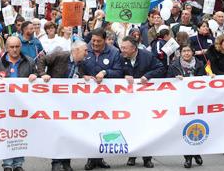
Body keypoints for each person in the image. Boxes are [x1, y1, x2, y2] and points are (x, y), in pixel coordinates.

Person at [36, 40, 91, 171]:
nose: (87, 53)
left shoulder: (83, 64)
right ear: (76, 50)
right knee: (57, 131)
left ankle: (66, 162)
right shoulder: (60, 56)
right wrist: (43, 74)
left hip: (71, 104)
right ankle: (56, 162)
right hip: (55, 101)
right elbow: (41, 60)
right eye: (85, 50)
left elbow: (82, 77)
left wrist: (86, 77)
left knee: (69, 132)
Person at [0, 36, 36, 171]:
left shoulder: (30, 62)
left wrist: (35, 76)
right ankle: (8, 164)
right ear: (6, 48)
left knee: (20, 134)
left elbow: (37, 75)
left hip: (22, 106)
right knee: (7, 134)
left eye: (17, 47)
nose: (14, 50)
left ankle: (18, 164)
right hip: (4, 106)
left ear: (20, 47)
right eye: (11, 47)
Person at [120, 36, 165, 168]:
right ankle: (132, 156)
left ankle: (147, 158)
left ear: (133, 49)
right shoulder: (120, 56)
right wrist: (123, 76)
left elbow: (161, 68)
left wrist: (148, 76)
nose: (122, 50)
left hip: (145, 98)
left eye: (125, 48)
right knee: (131, 127)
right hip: (128, 99)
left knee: (145, 127)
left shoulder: (147, 56)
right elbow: (115, 72)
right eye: (121, 47)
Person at [81, 28, 123, 170]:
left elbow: (119, 72)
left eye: (98, 41)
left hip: (107, 97)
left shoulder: (114, 52)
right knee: (89, 127)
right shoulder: (85, 49)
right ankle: (91, 158)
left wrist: (105, 72)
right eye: (93, 41)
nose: (95, 44)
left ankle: (99, 158)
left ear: (105, 40)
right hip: (87, 96)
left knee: (103, 127)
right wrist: (82, 76)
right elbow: (76, 66)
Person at [167, 44, 205, 168]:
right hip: (181, 102)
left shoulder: (200, 65)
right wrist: (174, 79)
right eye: (184, 51)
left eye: (189, 51)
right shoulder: (174, 66)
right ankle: (188, 157)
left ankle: (196, 152)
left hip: (196, 101)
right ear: (180, 53)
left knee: (196, 127)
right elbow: (167, 82)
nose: (186, 53)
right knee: (184, 129)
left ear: (193, 52)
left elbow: (204, 80)